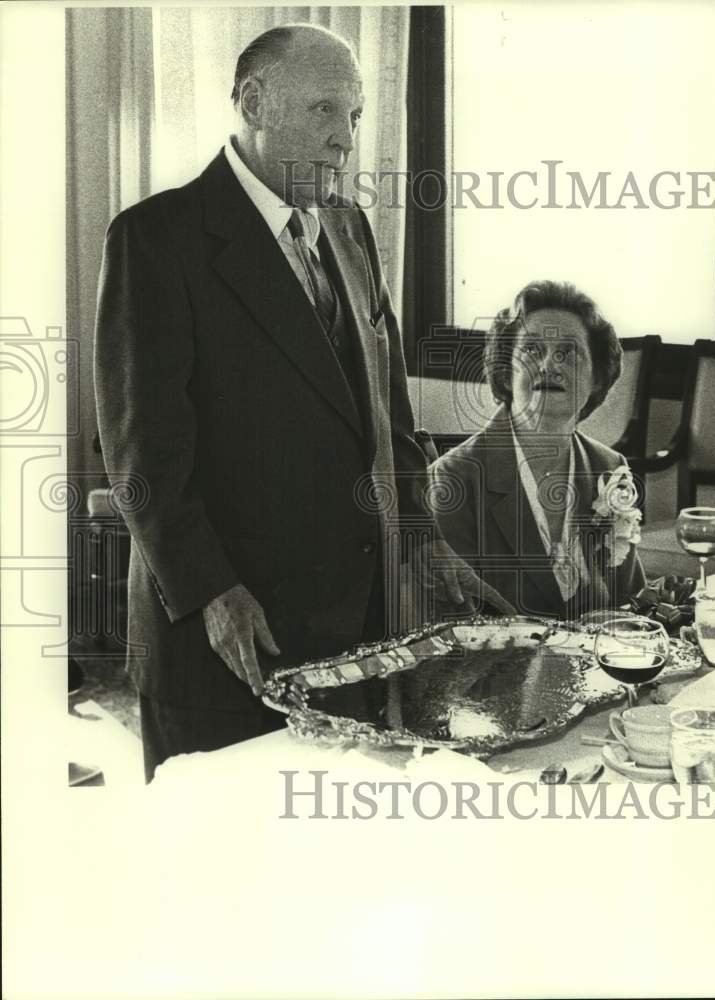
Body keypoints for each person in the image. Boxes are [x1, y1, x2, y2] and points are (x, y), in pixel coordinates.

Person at [94, 23, 509, 782]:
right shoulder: (157, 240)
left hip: (350, 633)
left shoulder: (350, 229)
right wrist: (213, 593)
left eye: (353, 116)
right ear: (253, 101)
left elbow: (387, 416)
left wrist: (424, 538)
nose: (344, 139)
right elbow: (141, 455)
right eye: (323, 110)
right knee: (219, 871)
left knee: (328, 870)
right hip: (228, 637)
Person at [429, 280, 646, 620]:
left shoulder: (610, 468)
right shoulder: (455, 478)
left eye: (568, 352)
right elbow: (452, 628)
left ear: (598, 378)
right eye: (531, 350)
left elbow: (630, 603)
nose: (549, 365)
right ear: (505, 375)